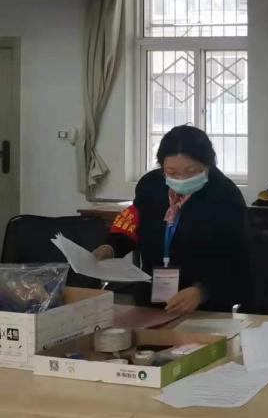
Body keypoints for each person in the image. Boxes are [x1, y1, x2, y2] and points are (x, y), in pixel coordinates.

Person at [93, 125, 249, 315]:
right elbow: (133, 223)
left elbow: (237, 257)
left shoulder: (226, 196)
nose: (181, 178)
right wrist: (111, 247)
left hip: (202, 305)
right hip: (150, 298)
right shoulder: (150, 186)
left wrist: (202, 291)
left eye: (191, 171)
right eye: (172, 172)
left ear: (207, 165)